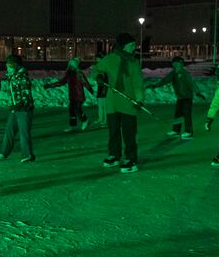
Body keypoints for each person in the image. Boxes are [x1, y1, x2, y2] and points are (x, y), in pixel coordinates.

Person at [90, 33, 145, 173]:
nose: (134, 47)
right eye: (131, 45)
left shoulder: (133, 62)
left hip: (128, 102)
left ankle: (131, 159)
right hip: (112, 102)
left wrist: (139, 99)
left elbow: (138, 83)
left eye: (134, 45)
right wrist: (99, 76)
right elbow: (95, 70)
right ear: (123, 45)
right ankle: (114, 155)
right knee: (113, 132)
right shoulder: (110, 59)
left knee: (129, 133)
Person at [146, 55, 205, 139]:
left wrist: (198, 93)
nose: (177, 66)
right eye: (175, 64)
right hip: (180, 98)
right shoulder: (173, 74)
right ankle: (176, 130)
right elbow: (164, 80)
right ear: (173, 64)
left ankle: (189, 132)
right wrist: (154, 85)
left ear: (182, 65)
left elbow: (191, 84)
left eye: (179, 64)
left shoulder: (185, 74)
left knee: (186, 115)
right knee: (177, 115)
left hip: (187, 97)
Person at [0, 54, 35, 163]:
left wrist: (21, 104)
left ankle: (27, 154)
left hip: (24, 109)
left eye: (11, 65)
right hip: (15, 108)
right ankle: (4, 152)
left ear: (16, 66)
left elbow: (26, 93)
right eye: (7, 65)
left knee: (24, 133)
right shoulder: (12, 76)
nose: (8, 68)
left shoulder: (22, 77)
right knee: (9, 131)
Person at [44, 57, 94, 131]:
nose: (70, 66)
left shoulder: (78, 73)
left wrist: (91, 90)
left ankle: (85, 120)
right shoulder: (70, 73)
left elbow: (85, 82)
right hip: (73, 95)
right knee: (72, 110)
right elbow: (62, 82)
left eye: (71, 65)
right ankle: (73, 126)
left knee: (77, 109)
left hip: (79, 95)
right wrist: (50, 85)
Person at [93, 51, 108, 127]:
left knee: (104, 106)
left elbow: (106, 79)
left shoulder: (105, 67)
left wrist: (105, 88)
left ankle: (105, 120)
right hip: (100, 88)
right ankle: (100, 118)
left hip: (105, 88)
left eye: (98, 58)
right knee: (100, 105)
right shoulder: (99, 67)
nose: (96, 59)